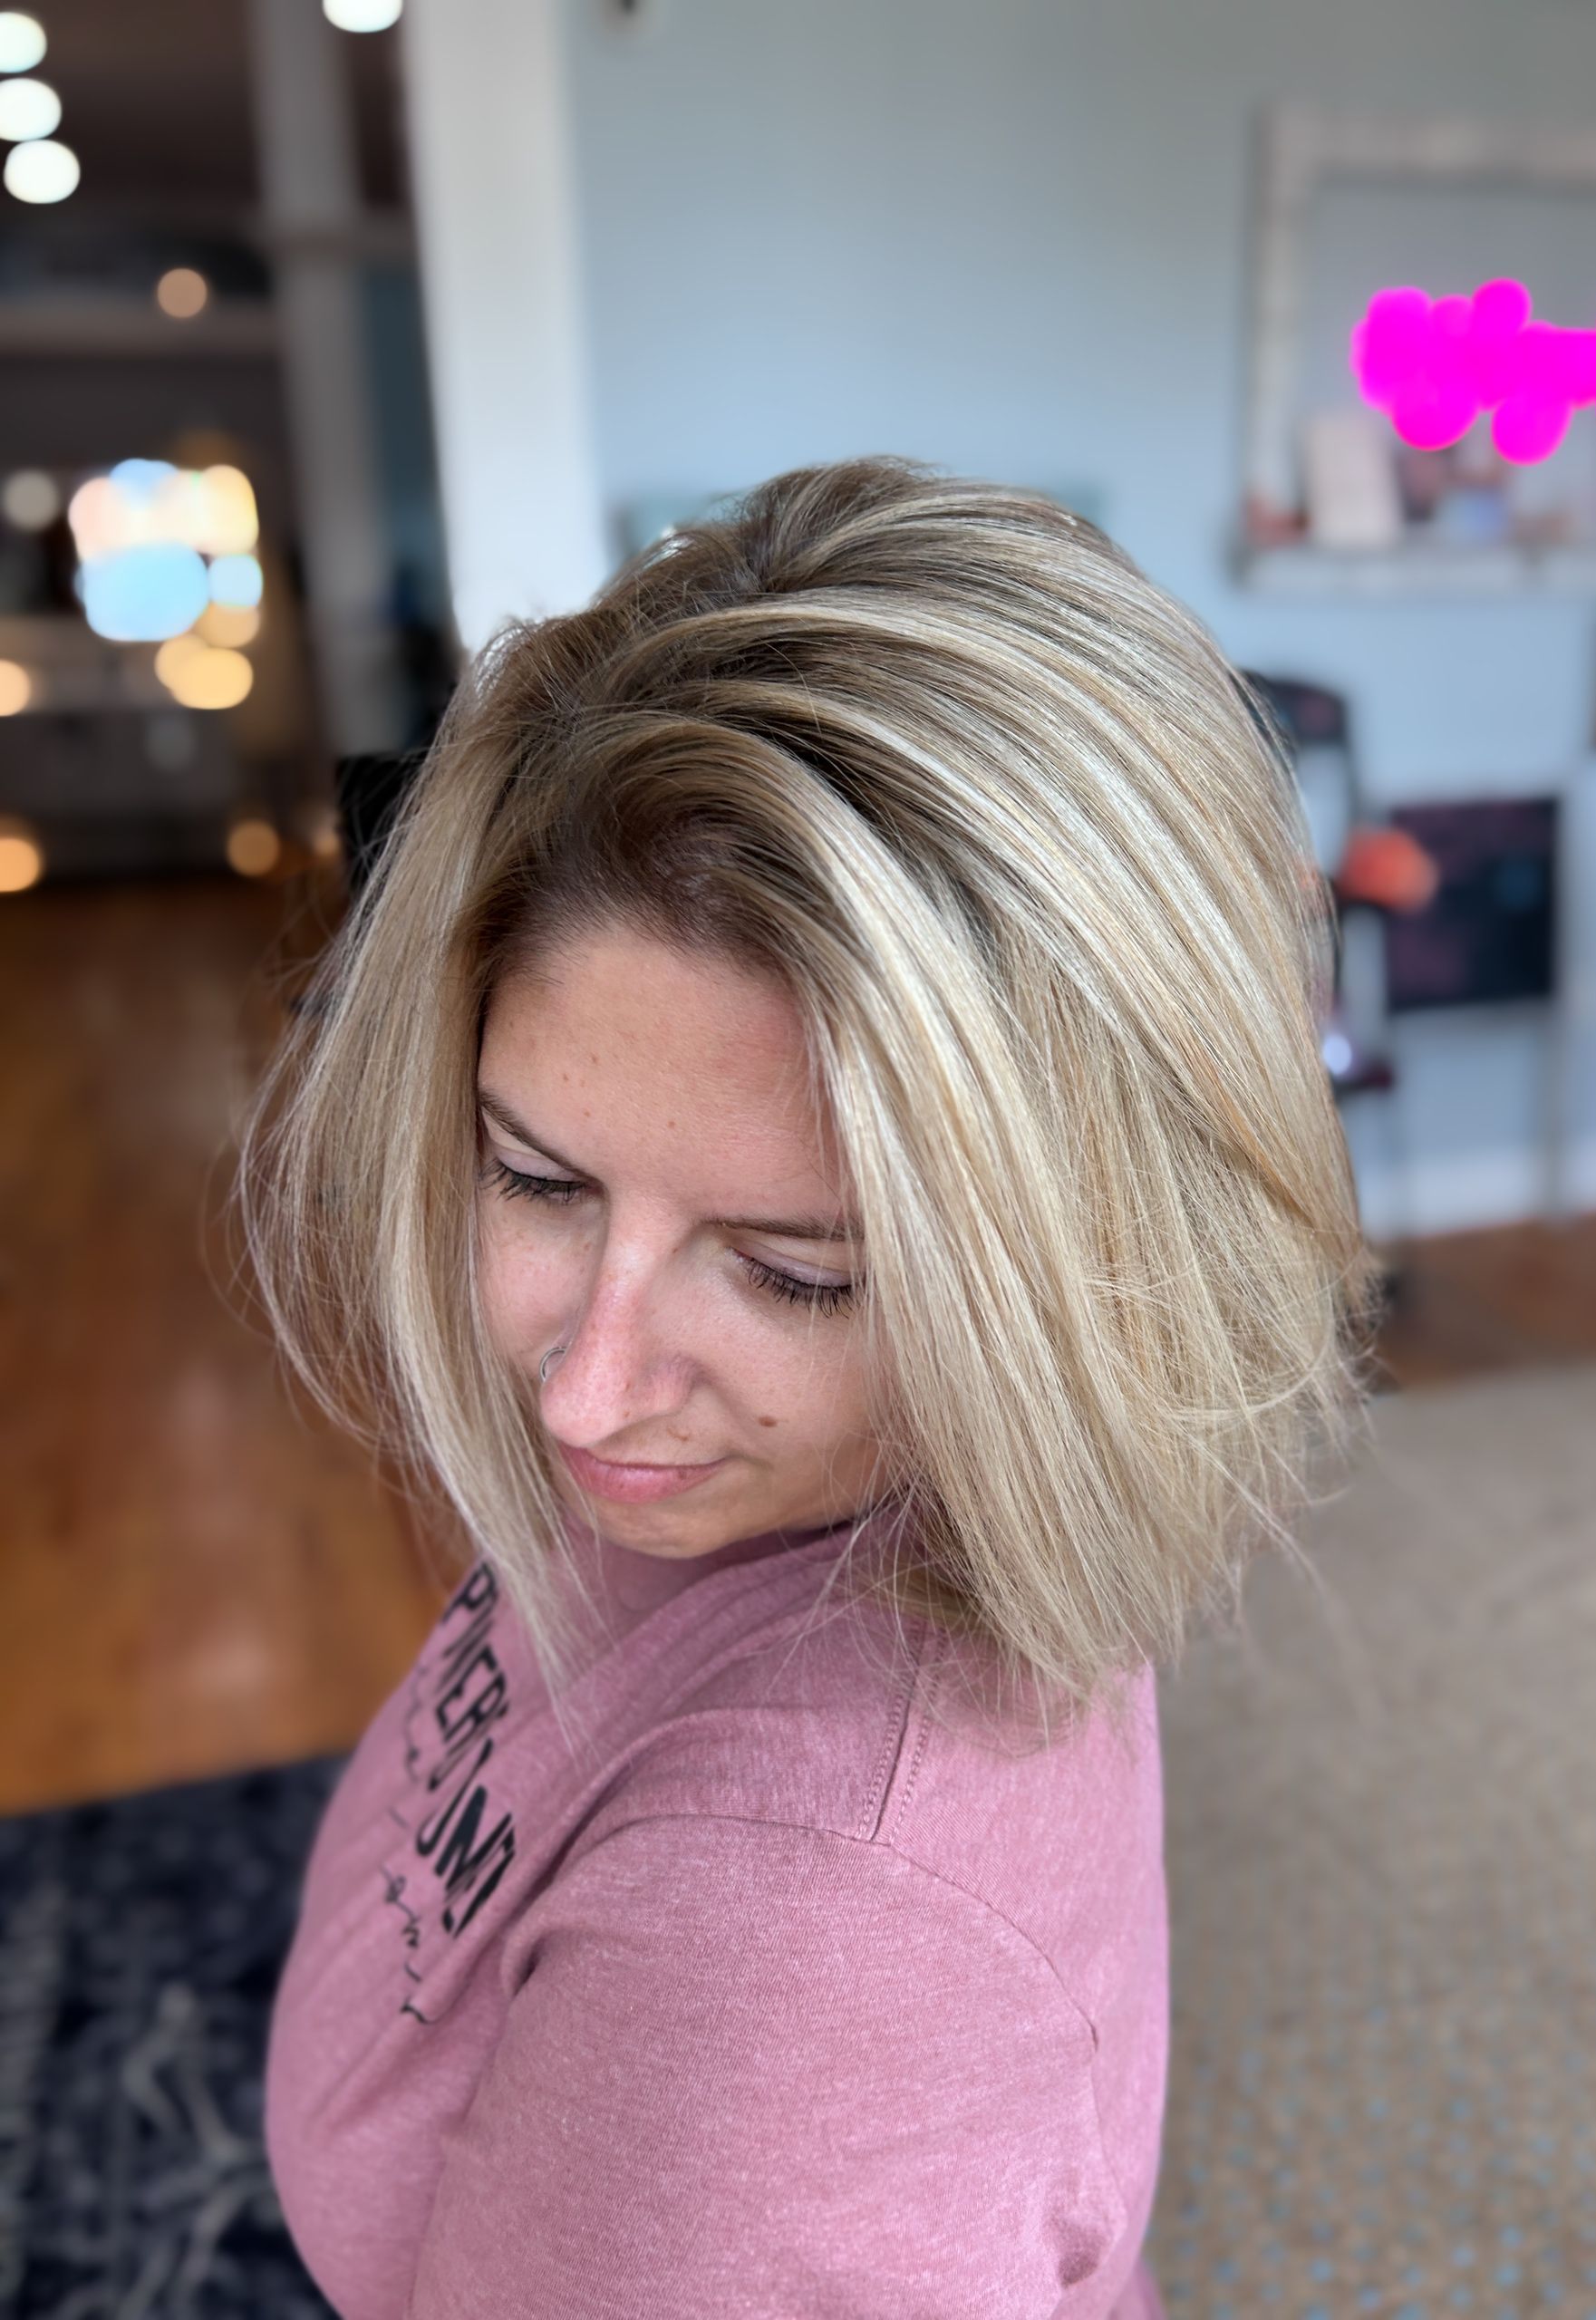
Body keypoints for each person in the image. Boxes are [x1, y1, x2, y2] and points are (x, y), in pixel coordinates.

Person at [234, 455, 1384, 2318]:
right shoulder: (803, 1476)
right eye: (537, 1177)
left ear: (1095, 1282)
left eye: (796, 1272)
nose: (587, 1391)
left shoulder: (795, 1943)